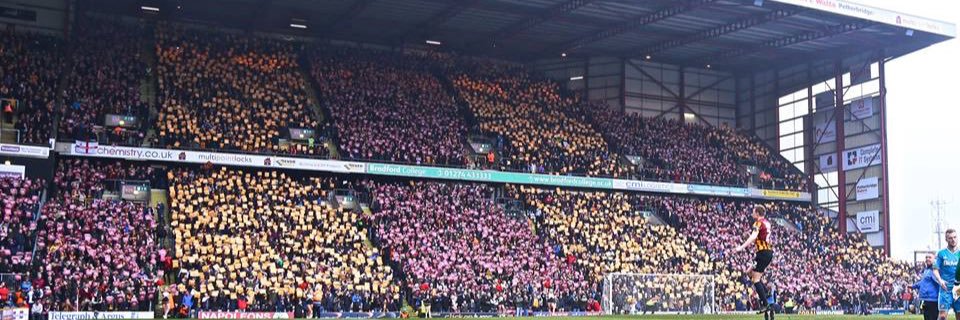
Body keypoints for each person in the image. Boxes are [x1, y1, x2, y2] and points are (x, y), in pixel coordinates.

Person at [733, 205, 775, 315]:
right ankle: (766, 295)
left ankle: (766, 304)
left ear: (757, 213)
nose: (752, 214)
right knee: (749, 272)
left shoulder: (758, 223)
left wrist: (740, 247)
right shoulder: (767, 223)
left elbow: (753, 237)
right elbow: (761, 235)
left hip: (762, 253)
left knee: (756, 279)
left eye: (753, 212)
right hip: (766, 253)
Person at [916, 254, 940, 320]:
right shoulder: (926, 270)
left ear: (934, 259)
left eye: (930, 257)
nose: (927, 259)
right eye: (926, 257)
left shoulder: (935, 270)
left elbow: (939, 282)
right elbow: (922, 282)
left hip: (933, 300)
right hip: (926, 299)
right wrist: (913, 286)